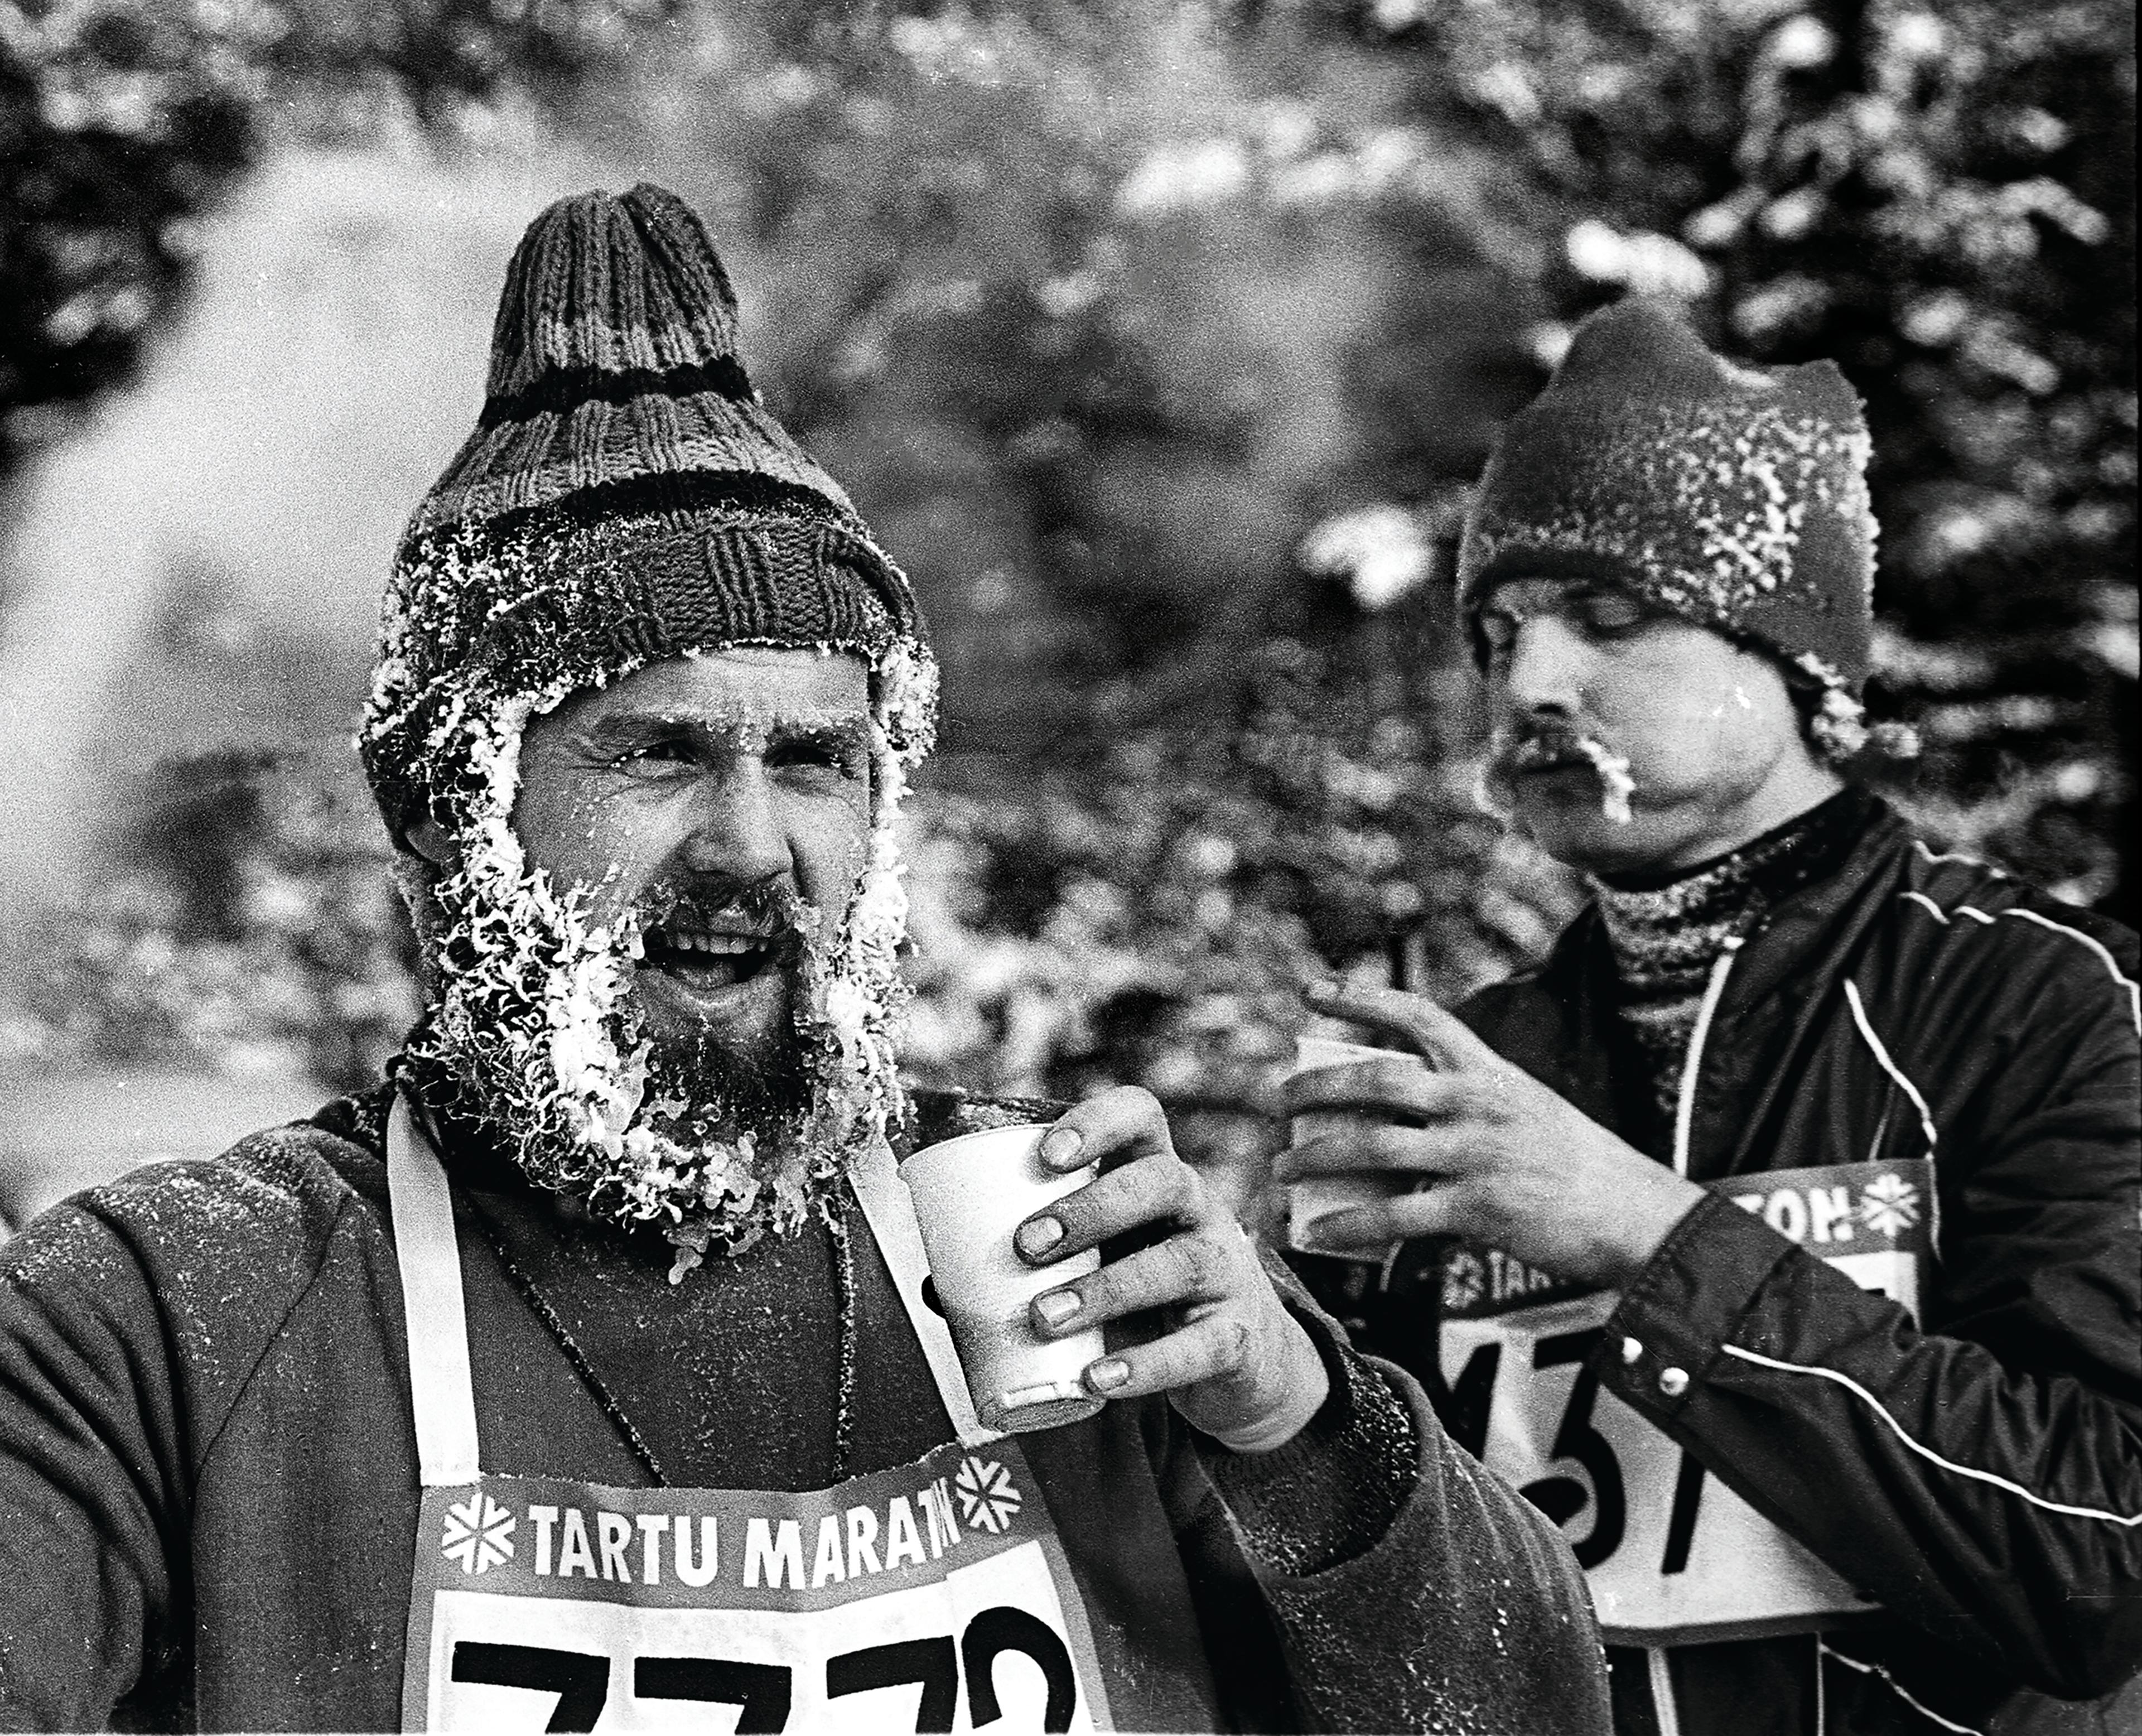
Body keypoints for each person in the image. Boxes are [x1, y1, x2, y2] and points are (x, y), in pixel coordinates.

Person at [0, 183, 1608, 1733]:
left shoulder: (1070, 1266)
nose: (754, 848)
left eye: (820, 763)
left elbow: (1531, 1708)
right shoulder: (178, 1318)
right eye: (657, 752)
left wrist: (1300, 1430)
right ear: (442, 811)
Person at [1280, 301, 2142, 1736]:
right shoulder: (1476, 1061)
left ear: (1795, 659)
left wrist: (1647, 1236)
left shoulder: (2036, 998)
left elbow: (2102, 1551)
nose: (1532, 683)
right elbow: (1359, 1607)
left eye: (1611, 618)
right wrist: (1282, 1364)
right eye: (1499, 634)